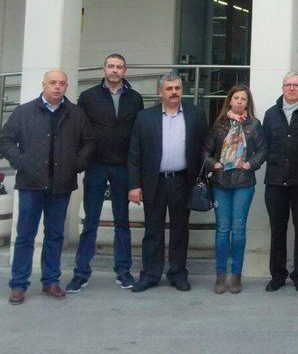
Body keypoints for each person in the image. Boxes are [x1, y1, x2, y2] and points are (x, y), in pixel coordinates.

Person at [0, 69, 95, 305]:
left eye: (62, 83)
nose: (57, 87)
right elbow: (6, 139)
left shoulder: (75, 113)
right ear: (44, 84)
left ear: (66, 86)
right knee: (25, 236)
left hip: (61, 185)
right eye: (52, 82)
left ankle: (51, 281)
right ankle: (19, 284)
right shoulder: (24, 112)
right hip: (31, 184)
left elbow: (89, 141)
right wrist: (21, 162)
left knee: (55, 235)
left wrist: (77, 164)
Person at [66, 54, 144, 293]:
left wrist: (136, 172)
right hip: (96, 165)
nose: (114, 70)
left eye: (119, 67)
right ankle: (80, 273)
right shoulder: (88, 97)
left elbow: (137, 136)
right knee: (90, 221)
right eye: (111, 66)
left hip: (123, 166)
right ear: (104, 69)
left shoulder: (135, 98)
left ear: (125, 71)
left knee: (122, 221)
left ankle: (123, 271)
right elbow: (79, 130)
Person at [127, 73, 208, 293]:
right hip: (155, 182)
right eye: (169, 88)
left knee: (180, 230)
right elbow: (135, 153)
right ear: (160, 92)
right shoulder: (145, 117)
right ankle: (150, 275)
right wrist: (134, 185)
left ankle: (178, 274)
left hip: (183, 181)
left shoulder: (196, 115)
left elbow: (204, 148)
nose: (174, 92)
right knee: (153, 230)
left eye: (177, 88)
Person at [203, 84, 267, 294]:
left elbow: (263, 150)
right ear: (229, 101)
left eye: (244, 99)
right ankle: (220, 275)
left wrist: (250, 164)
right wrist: (214, 164)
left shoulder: (254, 125)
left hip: (243, 184)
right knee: (222, 229)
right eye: (236, 98)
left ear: (248, 103)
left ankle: (236, 275)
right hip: (220, 183)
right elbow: (205, 151)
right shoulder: (219, 124)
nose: (240, 102)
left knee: (238, 229)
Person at [263, 72, 298, 293]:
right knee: (277, 230)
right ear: (282, 87)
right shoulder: (271, 115)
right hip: (276, 182)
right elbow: (264, 146)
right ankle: (277, 275)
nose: (292, 89)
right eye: (288, 85)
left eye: (297, 85)